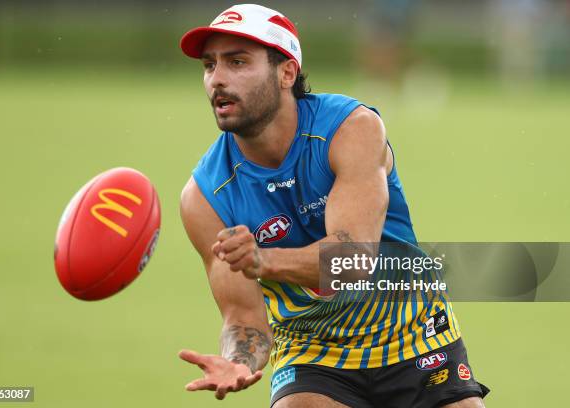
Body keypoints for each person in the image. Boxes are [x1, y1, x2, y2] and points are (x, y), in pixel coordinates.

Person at [177, 4, 489, 407]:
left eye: (238, 62)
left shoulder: (351, 128)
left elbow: (354, 260)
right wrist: (239, 360)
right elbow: (243, 318)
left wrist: (264, 261)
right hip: (312, 351)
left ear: (286, 72)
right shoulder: (204, 197)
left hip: (414, 333)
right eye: (209, 65)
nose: (218, 79)